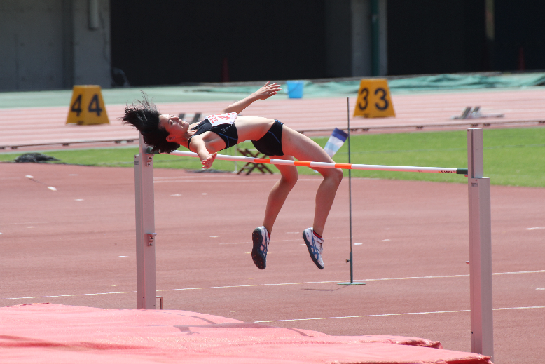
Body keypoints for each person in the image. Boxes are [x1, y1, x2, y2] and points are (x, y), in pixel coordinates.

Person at [122, 82, 342, 270]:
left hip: (264, 140)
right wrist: (205, 156)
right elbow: (199, 146)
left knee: (290, 178)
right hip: (275, 133)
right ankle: (317, 235)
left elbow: (229, 111)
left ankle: (265, 231)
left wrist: (256, 95)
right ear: (170, 138)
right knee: (334, 174)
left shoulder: (197, 127)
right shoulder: (197, 138)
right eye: (171, 123)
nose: (175, 118)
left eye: (170, 116)